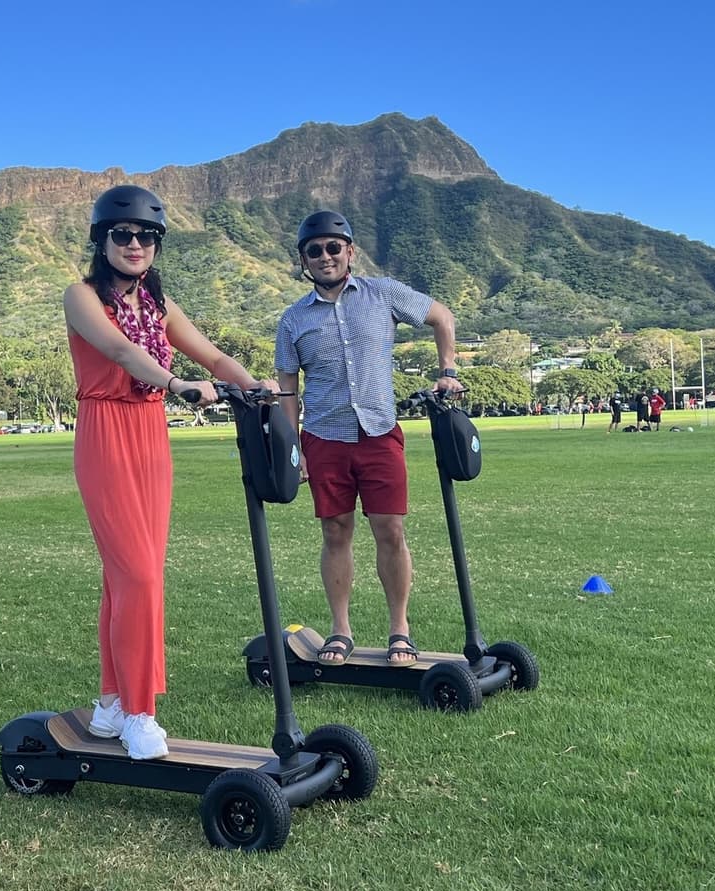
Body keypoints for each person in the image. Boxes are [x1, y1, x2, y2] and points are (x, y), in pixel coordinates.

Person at [65, 185, 270, 760]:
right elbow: (123, 354)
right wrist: (176, 383)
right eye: (124, 235)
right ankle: (138, 712)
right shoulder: (81, 296)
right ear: (102, 240)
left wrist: (258, 387)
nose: (136, 245)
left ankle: (110, 701)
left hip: (151, 436)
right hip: (106, 431)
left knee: (128, 577)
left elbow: (212, 355)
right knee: (139, 577)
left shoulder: (158, 304)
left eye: (147, 236)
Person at [274, 210, 462, 669]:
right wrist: (292, 447)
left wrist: (448, 372)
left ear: (350, 251)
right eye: (314, 250)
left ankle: (400, 629)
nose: (325, 256)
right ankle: (341, 630)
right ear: (304, 259)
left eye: (333, 247)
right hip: (323, 437)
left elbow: (441, 317)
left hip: (379, 432)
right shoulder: (293, 320)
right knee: (335, 532)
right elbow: (287, 390)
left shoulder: (384, 294)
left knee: (391, 532)